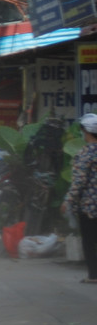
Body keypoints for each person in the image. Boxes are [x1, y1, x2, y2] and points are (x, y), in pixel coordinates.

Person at [63, 113, 97, 284]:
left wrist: (68, 200)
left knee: (90, 241)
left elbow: (79, 181)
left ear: (87, 132)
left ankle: (94, 275)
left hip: (90, 206)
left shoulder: (86, 153)